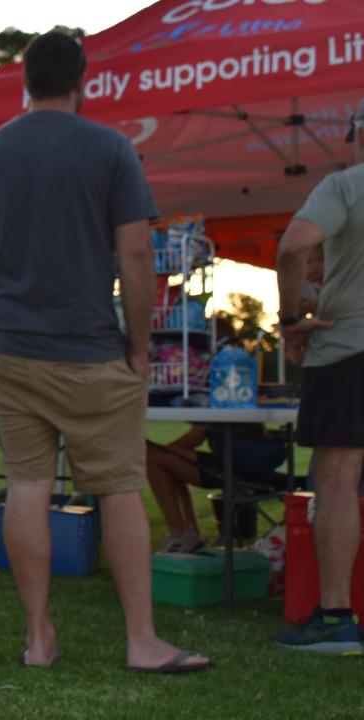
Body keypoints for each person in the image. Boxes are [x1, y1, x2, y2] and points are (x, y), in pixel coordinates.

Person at [0, 31, 211, 672]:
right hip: (92, 348)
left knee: (28, 486)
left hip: (11, 350)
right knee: (121, 490)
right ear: (83, 80)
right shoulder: (110, 149)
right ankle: (142, 642)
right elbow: (134, 253)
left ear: (25, 81)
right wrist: (142, 344)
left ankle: (39, 638)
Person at [273, 100, 364, 654]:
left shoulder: (346, 186)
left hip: (350, 349)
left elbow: (292, 248)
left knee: (335, 483)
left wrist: (289, 320)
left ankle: (335, 618)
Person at [146, 422, 287, 553]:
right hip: (260, 466)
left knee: (153, 457)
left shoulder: (218, 399)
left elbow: (194, 438)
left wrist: (167, 452)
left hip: (234, 467)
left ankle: (181, 533)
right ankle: (188, 534)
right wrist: (170, 453)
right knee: (168, 462)